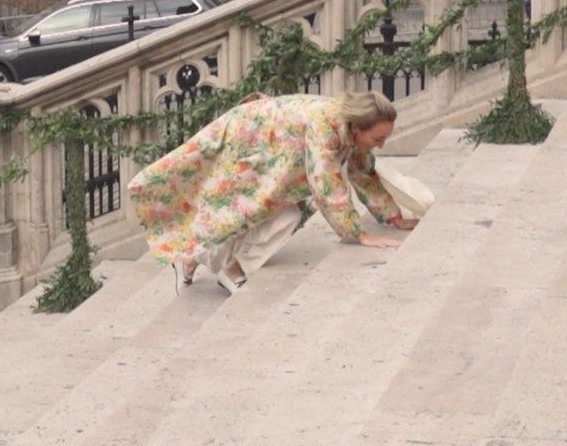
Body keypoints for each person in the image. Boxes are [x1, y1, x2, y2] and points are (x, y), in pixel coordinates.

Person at [128, 91, 418, 294]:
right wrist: (358, 233)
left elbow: (363, 170)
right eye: (377, 138)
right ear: (357, 128)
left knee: (277, 214)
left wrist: (392, 216)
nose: (381, 145)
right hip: (247, 144)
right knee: (244, 213)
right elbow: (327, 185)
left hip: (267, 150)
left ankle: (212, 262)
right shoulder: (325, 125)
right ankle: (215, 263)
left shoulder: (347, 127)